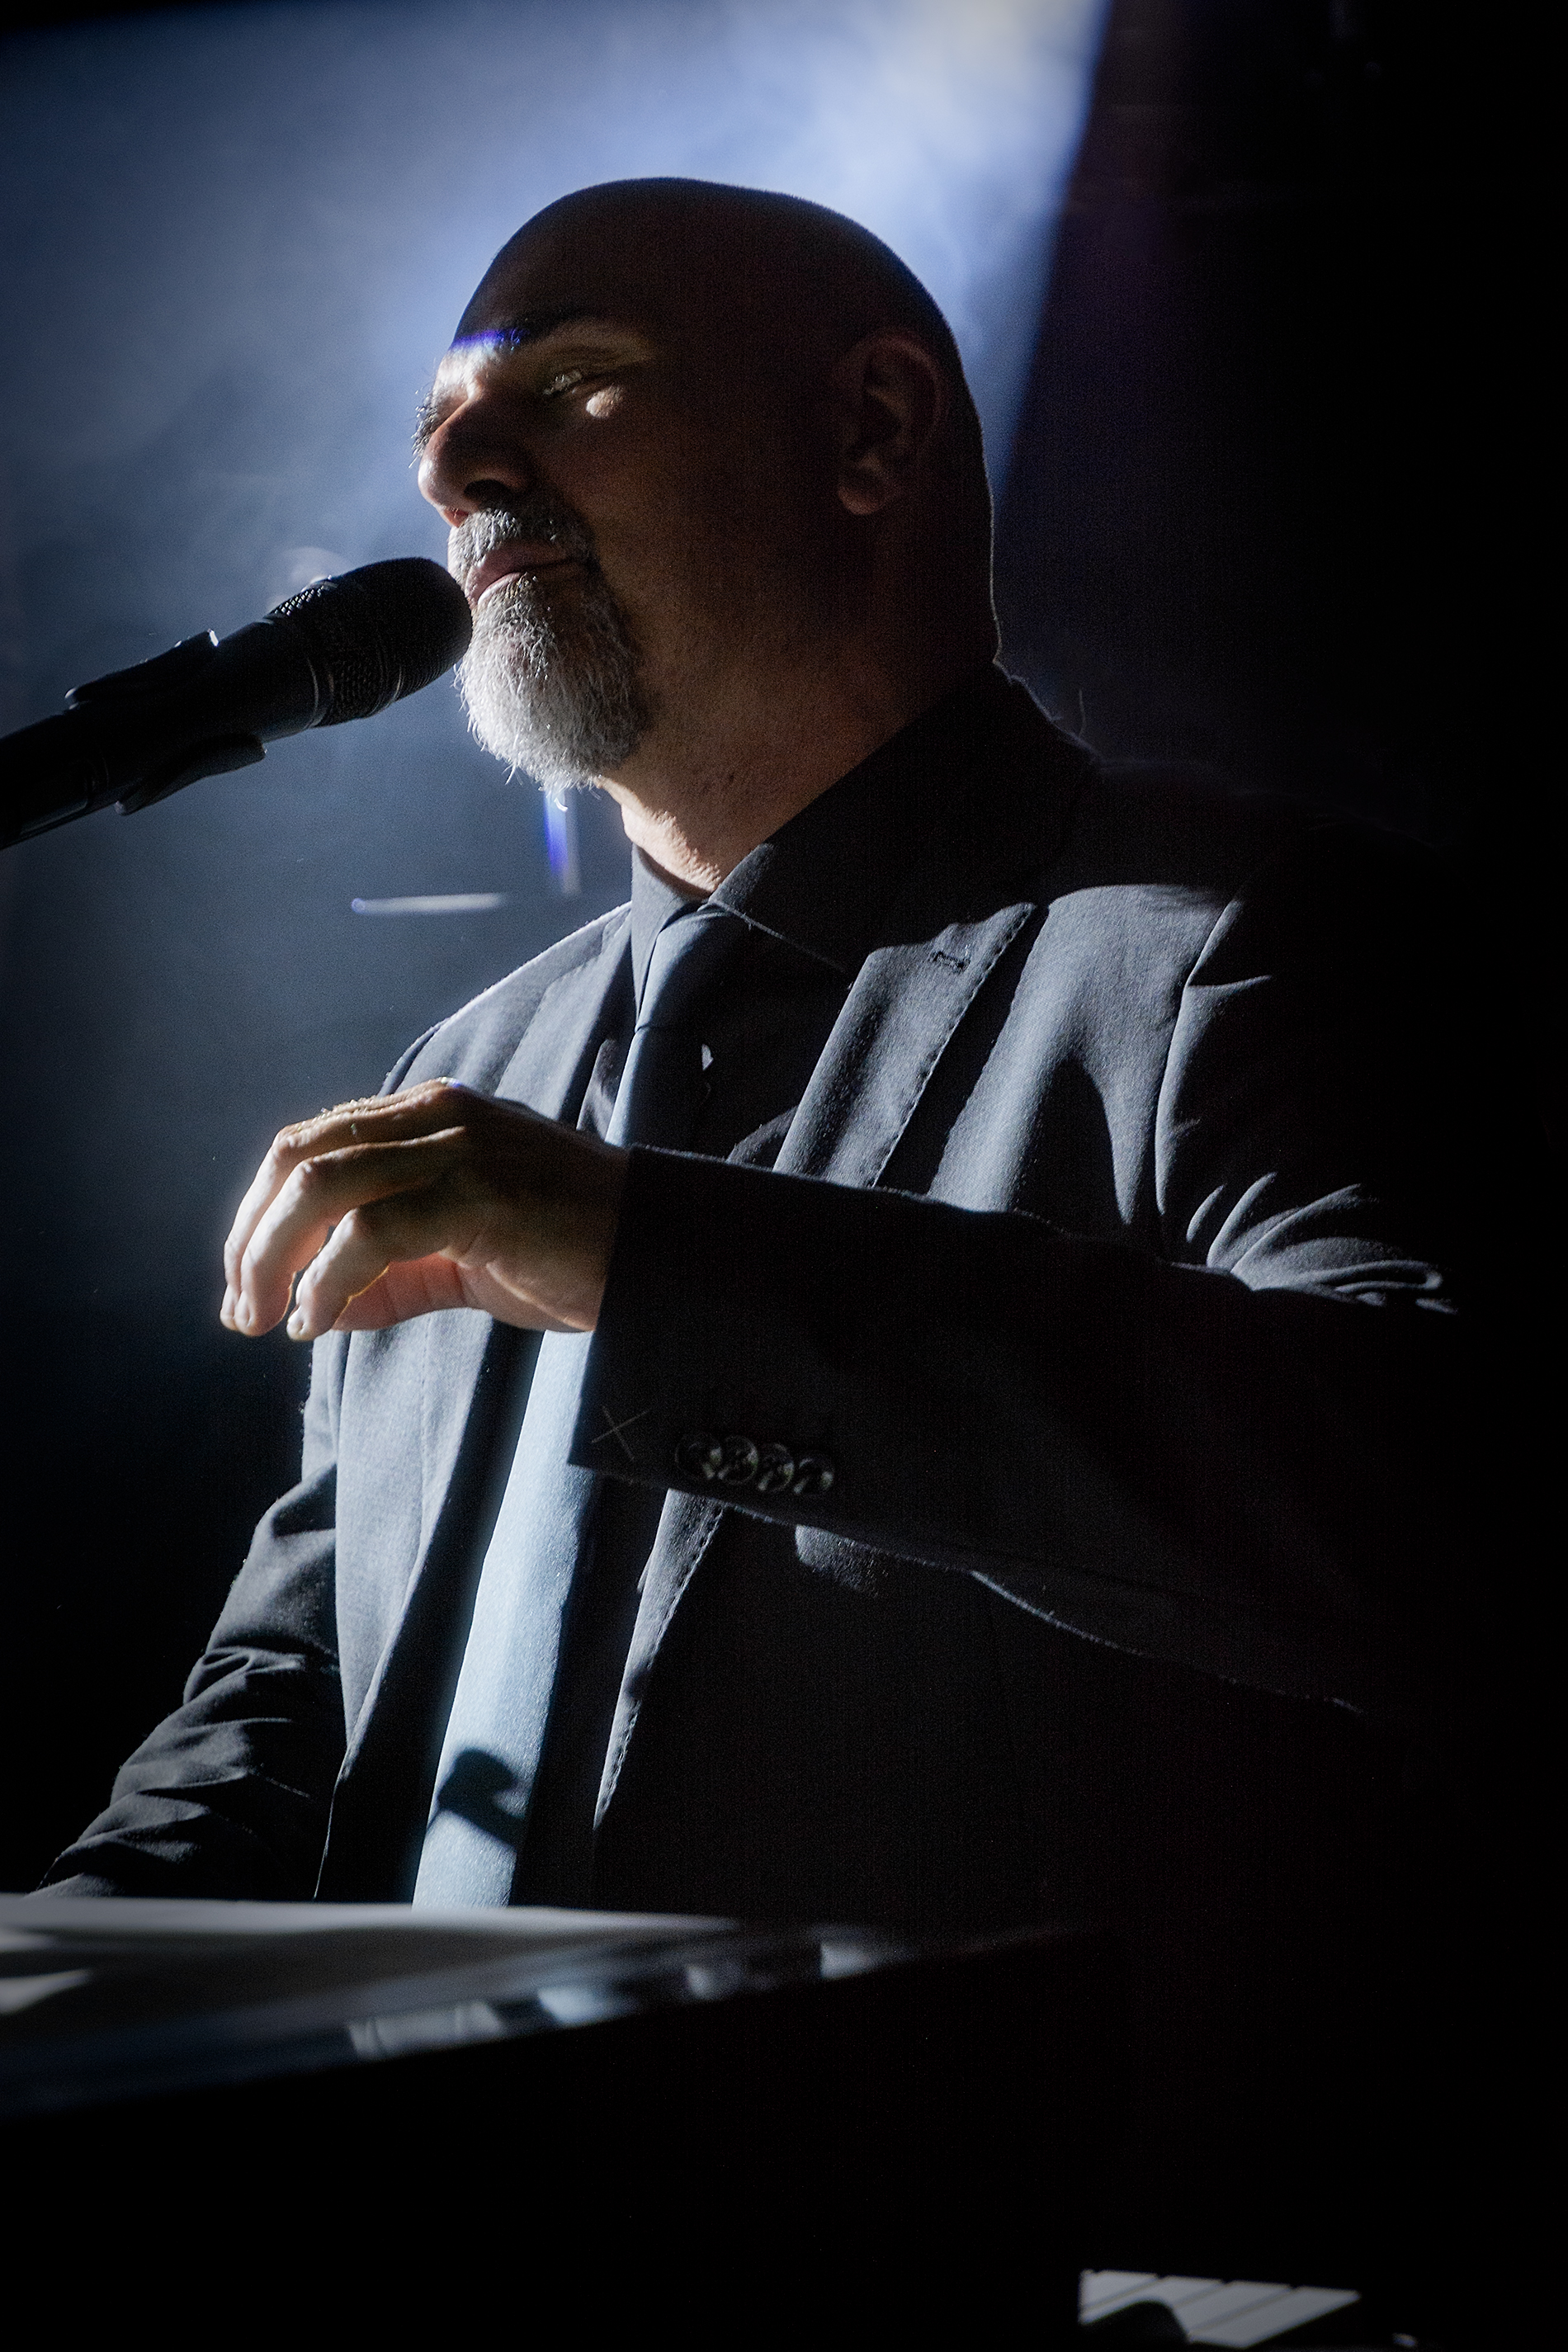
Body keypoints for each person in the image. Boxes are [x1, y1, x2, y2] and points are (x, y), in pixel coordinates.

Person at [43, 180, 1481, 2280]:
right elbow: (298, 1705)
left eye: (566, 383)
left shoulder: (1229, 945)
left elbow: (1441, 1499)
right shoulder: (469, 1069)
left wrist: (661, 1267)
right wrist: (62, 1968)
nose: (455, 471)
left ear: (869, 432)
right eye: (435, 427)